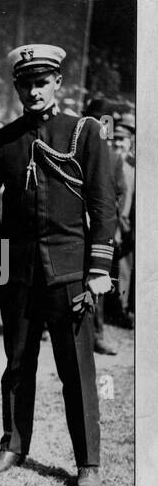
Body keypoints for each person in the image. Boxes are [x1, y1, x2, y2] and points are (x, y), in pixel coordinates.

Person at [0, 44, 116, 486]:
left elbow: (103, 206)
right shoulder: (1, 140)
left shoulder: (83, 133)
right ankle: (12, 445)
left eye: (41, 82)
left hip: (70, 271)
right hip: (16, 271)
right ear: (16, 87)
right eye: (25, 83)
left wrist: (100, 268)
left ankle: (87, 463)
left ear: (58, 84)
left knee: (77, 371)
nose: (33, 91)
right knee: (16, 365)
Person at [110, 110, 136, 329]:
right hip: (107, 224)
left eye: (123, 139)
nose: (119, 143)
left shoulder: (134, 168)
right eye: (115, 138)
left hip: (126, 228)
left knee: (123, 270)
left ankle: (121, 309)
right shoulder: (105, 163)